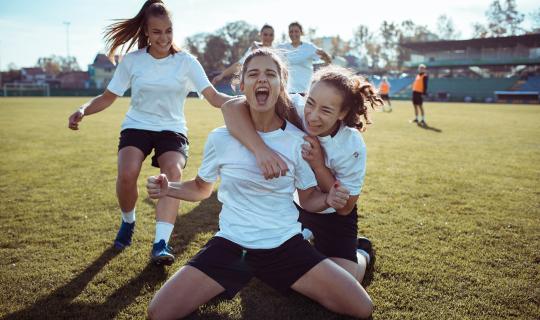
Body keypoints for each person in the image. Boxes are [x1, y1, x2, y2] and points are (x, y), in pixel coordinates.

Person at [145, 49, 373, 320]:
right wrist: (168, 187)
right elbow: (201, 188)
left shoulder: (301, 141)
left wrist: (328, 198)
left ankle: (352, 252)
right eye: (253, 74)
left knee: (361, 307)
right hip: (231, 245)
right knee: (159, 312)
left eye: (270, 74)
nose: (261, 79)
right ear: (242, 86)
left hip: (285, 246)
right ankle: (261, 267)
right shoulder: (221, 138)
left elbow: (311, 198)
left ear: (282, 85)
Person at [67, 0, 231, 265]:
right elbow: (108, 97)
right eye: (157, 32)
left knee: (173, 174)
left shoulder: (187, 62)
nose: (164, 37)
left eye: (168, 30)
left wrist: (240, 103)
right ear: (146, 32)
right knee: (127, 173)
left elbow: (212, 96)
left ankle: (161, 243)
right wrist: (83, 109)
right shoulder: (133, 61)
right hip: (137, 125)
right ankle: (128, 221)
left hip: (172, 129)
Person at [221, 65, 383, 285]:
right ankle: (306, 237)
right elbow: (231, 107)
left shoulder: (351, 144)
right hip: (295, 206)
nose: (313, 116)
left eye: (326, 110)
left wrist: (318, 165)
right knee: (272, 270)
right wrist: (261, 149)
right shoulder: (295, 108)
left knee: (343, 282)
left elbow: (344, 207)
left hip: (333, 216)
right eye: (311, 103)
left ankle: (361, 251)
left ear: (342, 113)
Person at [277, 22, 332, 95]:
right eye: (291, 31)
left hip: (305, 90)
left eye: (296, 31)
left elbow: (328, 60)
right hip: (287, 91)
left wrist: (326, 56)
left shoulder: (309, 47)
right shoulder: (282, 47)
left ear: (301, 32)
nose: (293, 34)